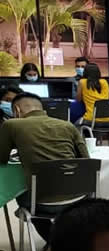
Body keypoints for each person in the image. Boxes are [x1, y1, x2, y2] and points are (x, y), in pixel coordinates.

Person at [0, 92, 88, 238]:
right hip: (79, 198)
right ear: (43, 109)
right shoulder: (67, 125)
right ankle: (66, 244)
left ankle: (54, 243)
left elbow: (2, 159)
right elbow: (85, 160)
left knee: (25, 194)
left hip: (42, 202)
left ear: (16, 110)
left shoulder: (11, 124)